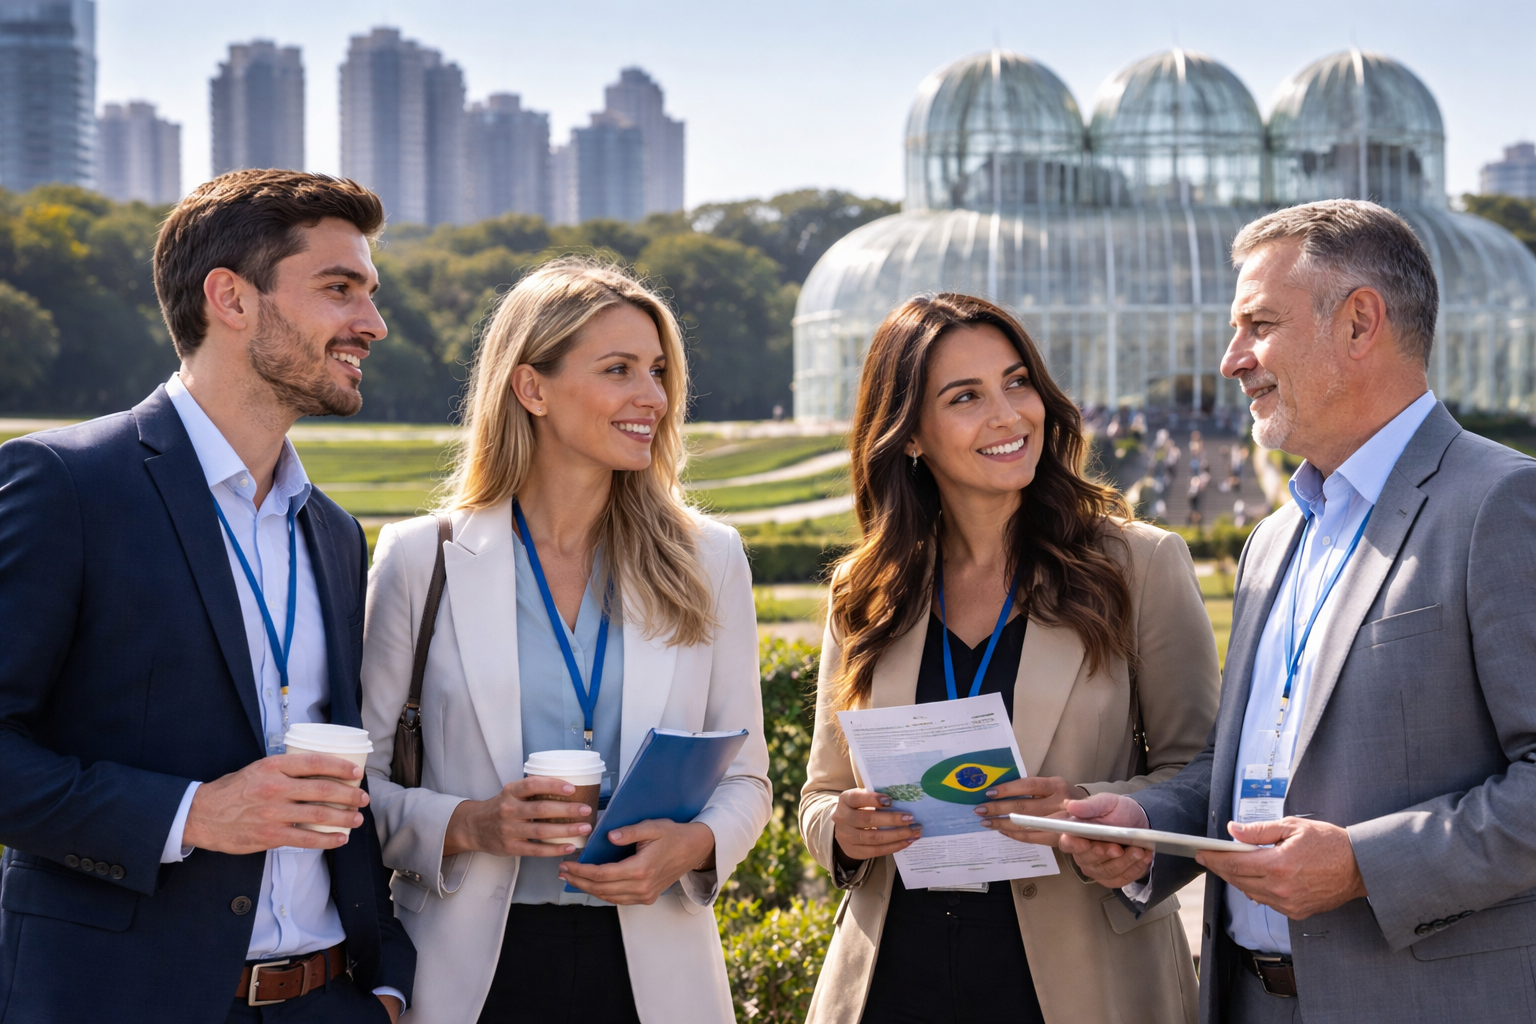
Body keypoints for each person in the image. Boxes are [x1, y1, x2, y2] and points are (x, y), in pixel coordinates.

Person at [1059, 199, 1536, 1023]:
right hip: (1248, 1000)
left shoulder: (1500, 503)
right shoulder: (1276, 538)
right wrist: (1146, 823)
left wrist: (1363, 866)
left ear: (1359, 323)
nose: (1229, 359)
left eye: (1258, 324)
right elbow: (1239, 770)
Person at [0, 169, 416, 1022]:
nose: (371, 324)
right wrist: (193, 814)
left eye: (369, 294)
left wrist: (383, 983)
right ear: (229, 297)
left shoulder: (333, 532)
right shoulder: (65, 485)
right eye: (340, 290)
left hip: (327, 999)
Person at [360, 258, 771, 1023]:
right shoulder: (422, 560)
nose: (652, 396)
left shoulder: (710, 558)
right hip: (468, 977)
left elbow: (747, 779)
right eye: (619, 370)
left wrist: (697, 846)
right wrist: (469, 824)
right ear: (532, 388)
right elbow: (360, 789)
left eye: (657, 371)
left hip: (655, 977)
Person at [798, 293, 1221, 1024]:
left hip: (1082, 979)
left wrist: (1104, 815)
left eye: (1018, 382)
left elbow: (1205, 769)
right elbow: (820, 795)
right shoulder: (861, 591)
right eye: (966, 396)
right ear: (910, 437)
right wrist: (842, 829)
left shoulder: (1140, 564)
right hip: (893, 978)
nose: (1009, 414)